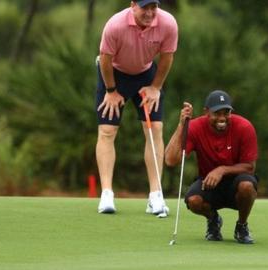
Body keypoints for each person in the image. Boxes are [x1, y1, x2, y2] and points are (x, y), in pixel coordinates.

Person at [96, 0, 178, 216]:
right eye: (145, 8)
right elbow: (105, 59)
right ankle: (106, 194)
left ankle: (155, 196)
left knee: (155, 128)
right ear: (133, 5)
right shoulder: (115, 25)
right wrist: (111, 90)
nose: (150, 13)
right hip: (114, 74)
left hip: (146, 74)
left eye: (154, 7)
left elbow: (167, 56)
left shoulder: (168, 23)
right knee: (107, 130)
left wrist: (156, 87)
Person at [165, 90, 259, 244]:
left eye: (226, 112)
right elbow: (170, 160)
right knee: (194, 201)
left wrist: (222, 170)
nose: (222, 118)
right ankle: (213, 220)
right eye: (217, 113)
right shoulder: (195, 127)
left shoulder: (244, 126)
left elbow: (250, 167)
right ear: (206, 112)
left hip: (237, 182)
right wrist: (182, 125)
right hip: (209, 183)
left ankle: (242, 226)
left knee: (247, 186)